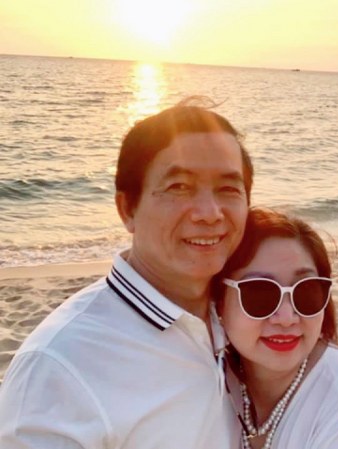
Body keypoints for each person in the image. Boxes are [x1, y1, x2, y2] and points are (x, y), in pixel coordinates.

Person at [0, 98, 254, 448]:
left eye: (228, 189)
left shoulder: (248, 319)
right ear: (127, 209)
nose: (209, 213)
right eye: (179, 186)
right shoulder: (61, 364)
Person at [213, 208, 338, 449]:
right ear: (218, 300)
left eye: (306, 290)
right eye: (260, 293)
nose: (287, 318)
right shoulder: (207, 376)